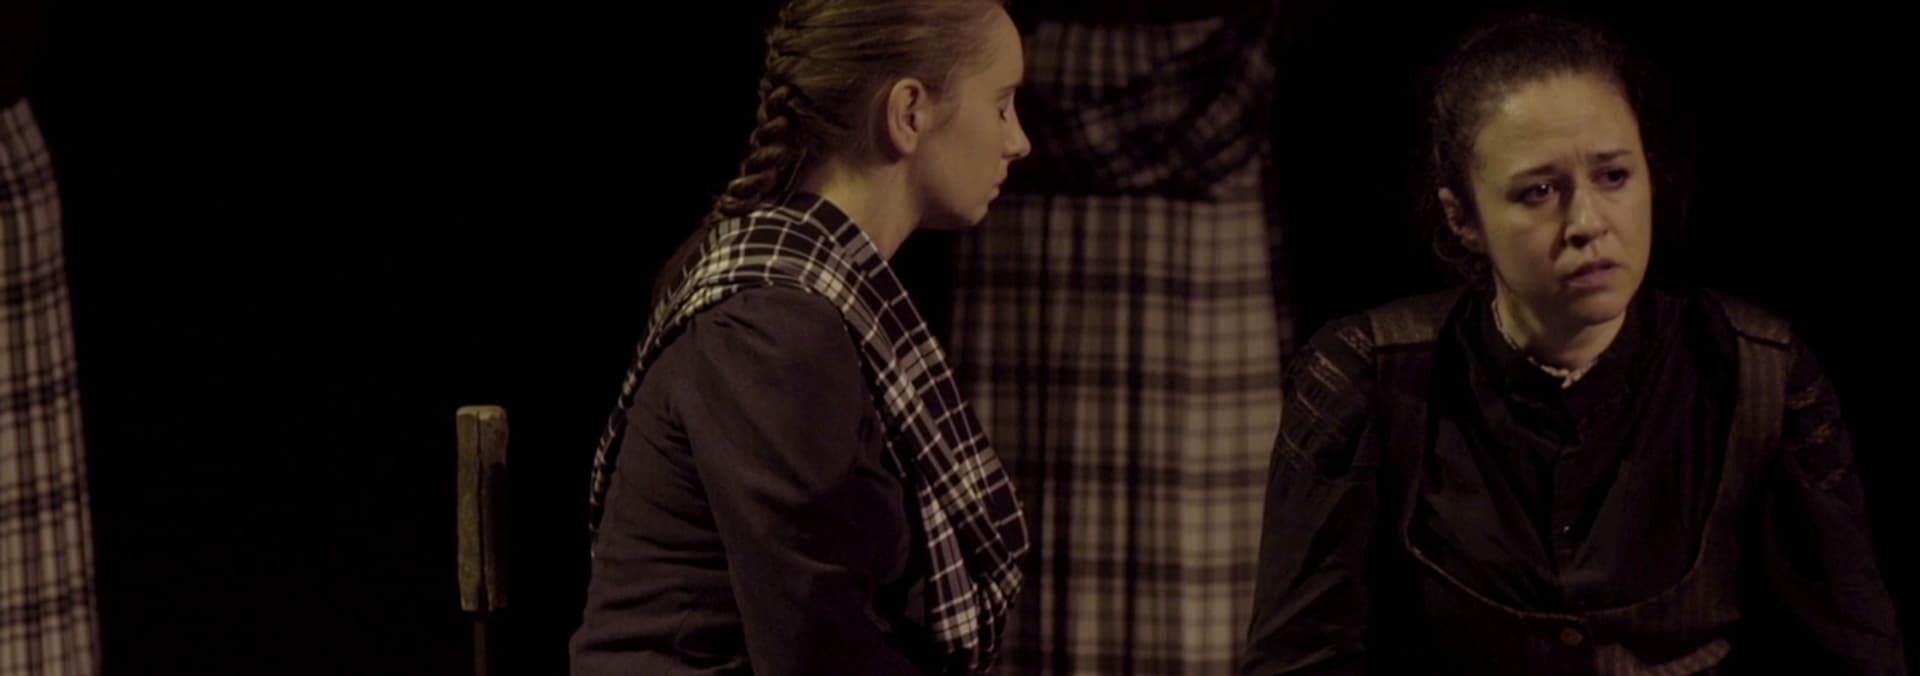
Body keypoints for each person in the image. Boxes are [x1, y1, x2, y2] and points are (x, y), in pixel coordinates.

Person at [1240, 10, 1905, 675]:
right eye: (1538, 191)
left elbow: (1854, 655)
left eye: (1614, 177)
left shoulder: (1757, 372)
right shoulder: (1368, 378)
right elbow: (1300, 659)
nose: (1587, 222)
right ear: (1462, 217)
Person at [568, 0, 1032, 673]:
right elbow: (818, 643)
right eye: (1001, 104)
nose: (1018, 141)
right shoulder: (773, 330)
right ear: (909, 112)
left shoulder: (824, 303)